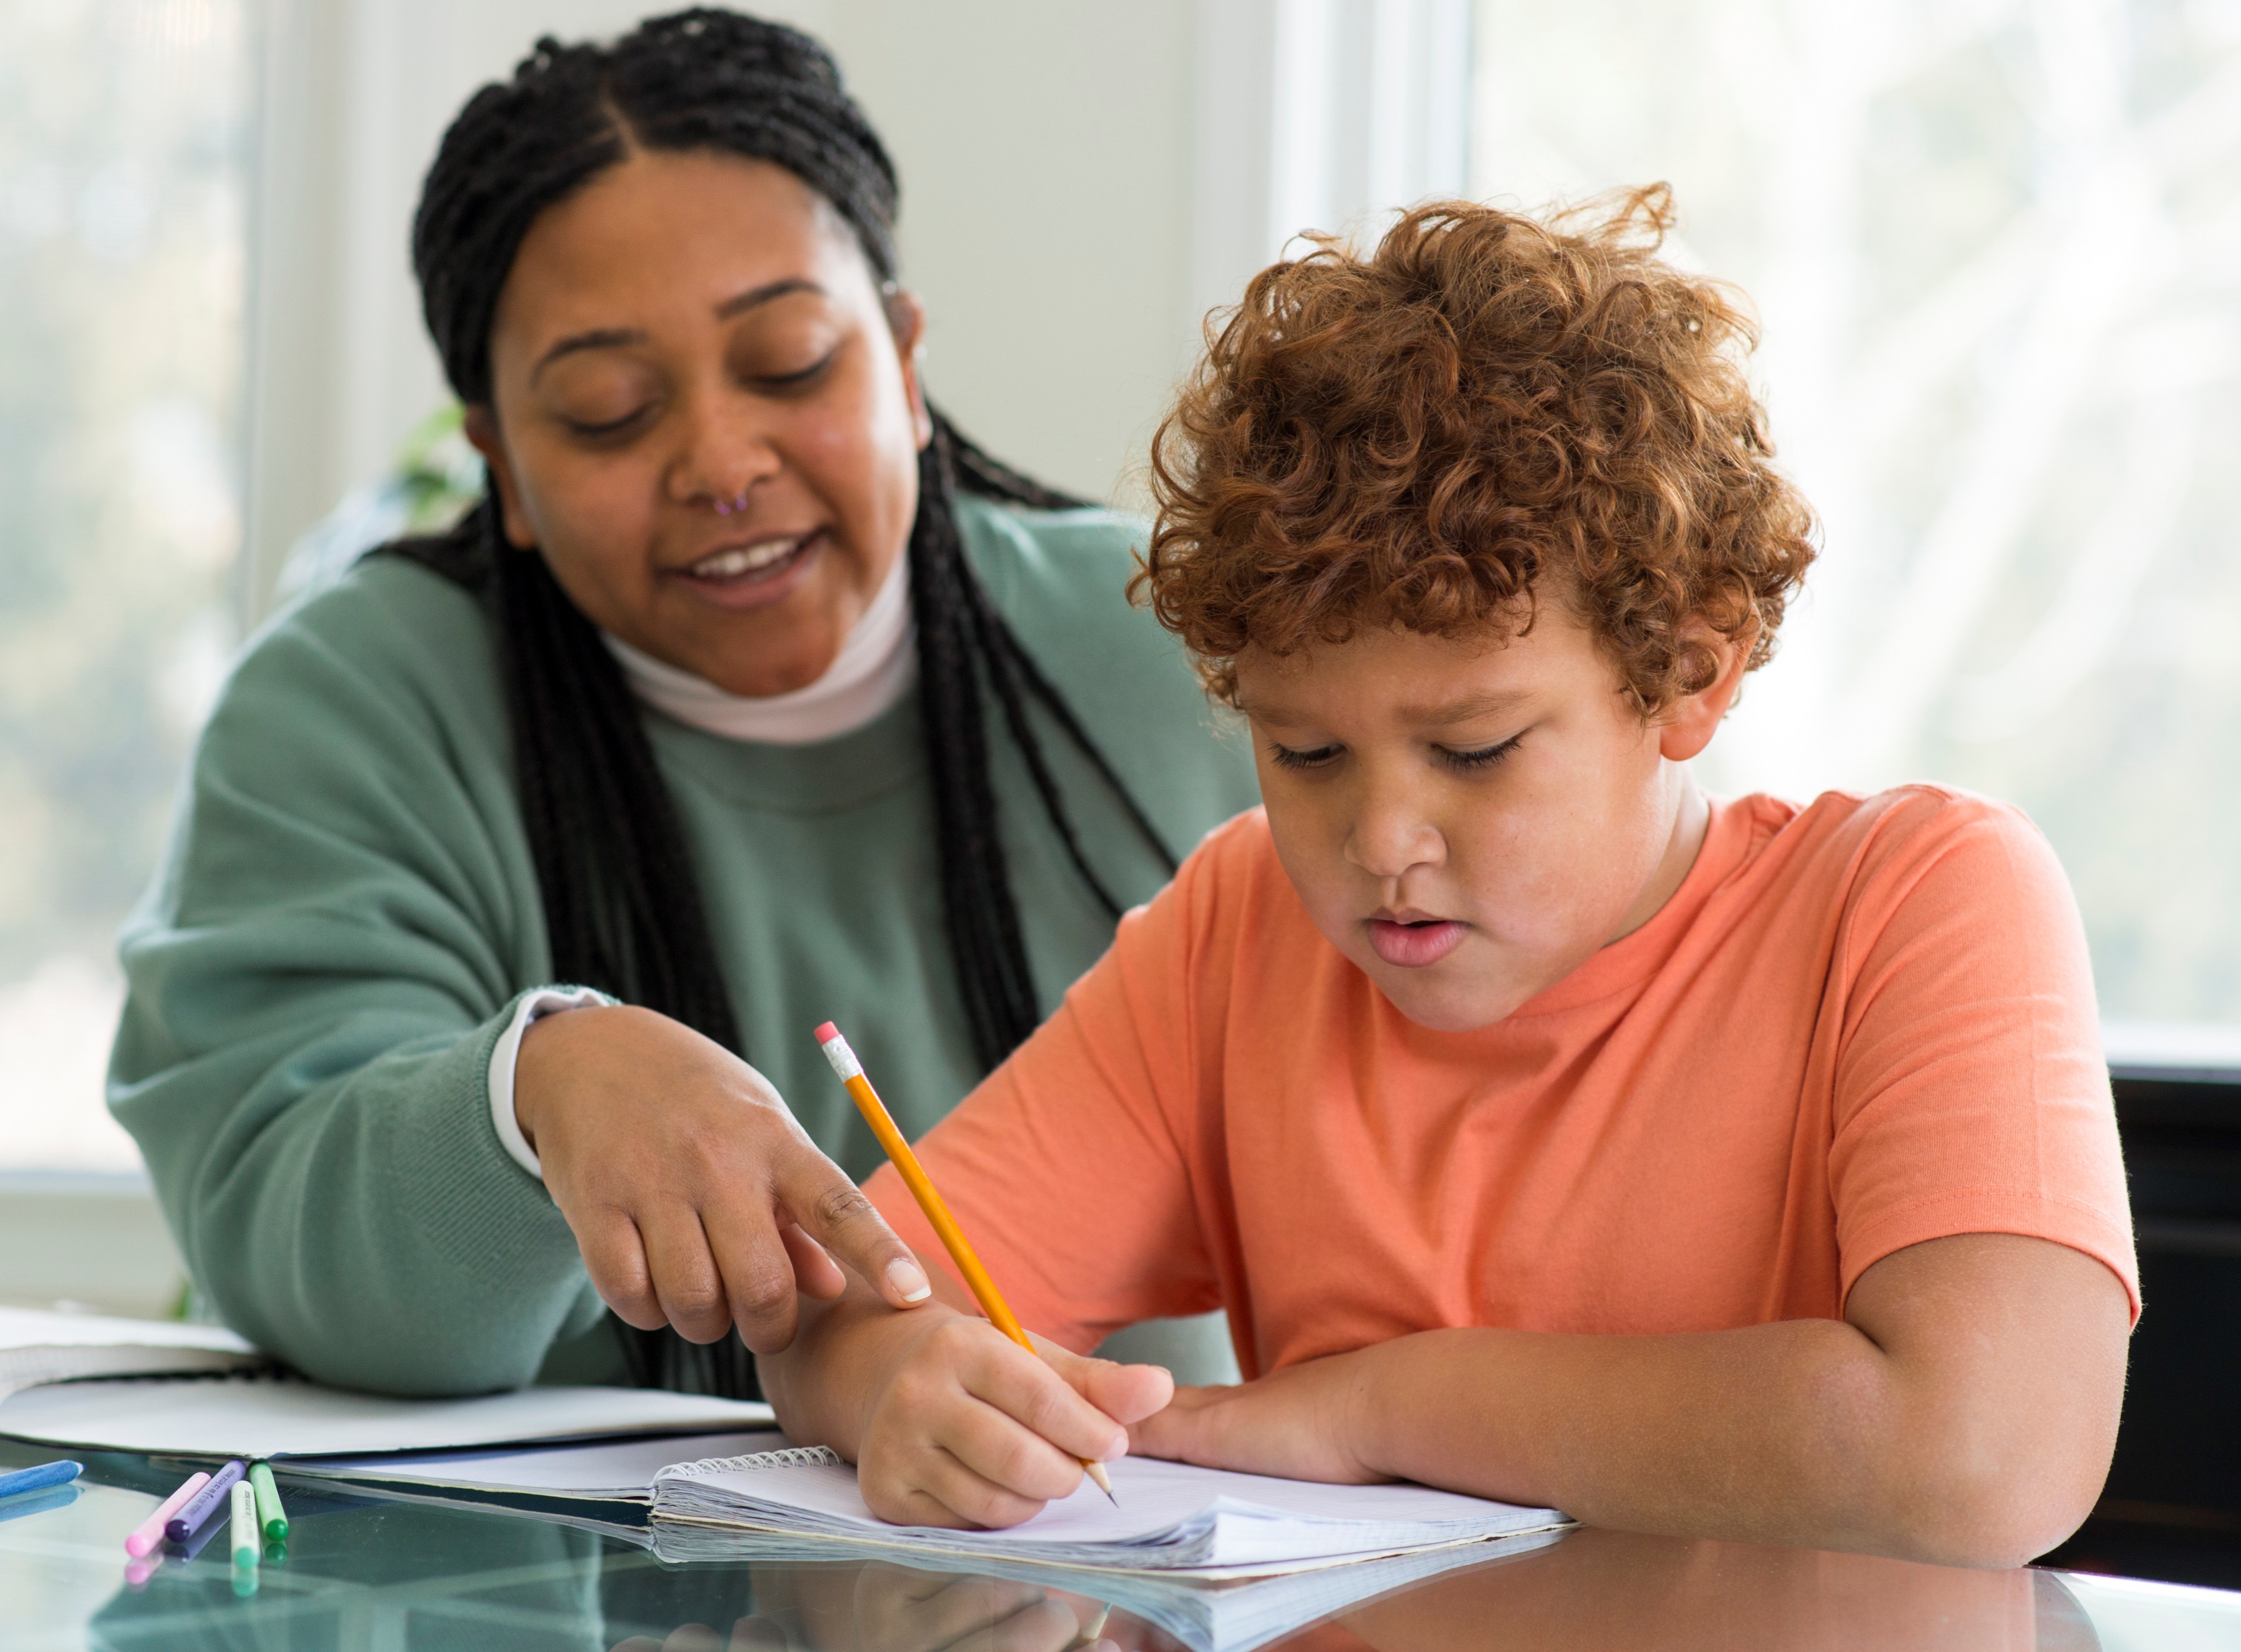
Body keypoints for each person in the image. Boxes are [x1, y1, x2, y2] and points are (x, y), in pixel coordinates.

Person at [758, 189, 2138, 1567]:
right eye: (1303, 751)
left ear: (1691, 673)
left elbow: (1985, 1458)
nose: (1380, 845)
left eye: (1474, 751)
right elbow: (848, 1308)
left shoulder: (1920, 899)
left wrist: (1379, 1406)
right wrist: (895, 1380)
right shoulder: (1240, 930)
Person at [109, 9, 1258, 1398]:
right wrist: (532, 1094)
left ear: (902, 361)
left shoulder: (1191, 641)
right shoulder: (351, 707)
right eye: (605, 411)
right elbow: (288, 1232)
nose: (722, 461)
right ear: (503, 470)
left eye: (788, 364)